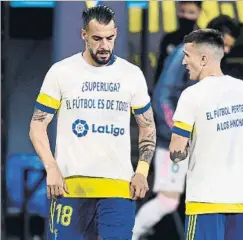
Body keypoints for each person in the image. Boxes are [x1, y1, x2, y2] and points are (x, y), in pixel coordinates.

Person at [29, 5, 156, 240]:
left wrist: (142, 171)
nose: (104, 45)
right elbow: (37, 125)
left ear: (116, 32)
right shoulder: (62, 72)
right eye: (97, 38)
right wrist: (51, 167)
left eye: (109, 38)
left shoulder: (132, 74)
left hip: (118, 189)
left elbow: (147, 125)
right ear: (83, 35)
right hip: (70, 188)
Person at [132, 15, 240, 240]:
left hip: (195, 144)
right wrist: (179, 133)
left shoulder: (211, 63)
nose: (227, 52)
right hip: (170, 141)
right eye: (225, 45)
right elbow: (162, 97)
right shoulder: (186, 53)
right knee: (167, 201)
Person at [169, 29, 243, 240]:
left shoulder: (191, 96)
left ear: (203, 59)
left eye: (187, 55)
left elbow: (176, 150)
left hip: (204, 203)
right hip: (240, 203)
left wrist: (181, 152)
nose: (183, 62)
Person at [154, 1, 202, 85]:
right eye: (182, 11)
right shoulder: (169, 39)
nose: (186, 16)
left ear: (199, 12)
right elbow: (160, 70)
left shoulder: (205, 40)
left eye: (191, 12)